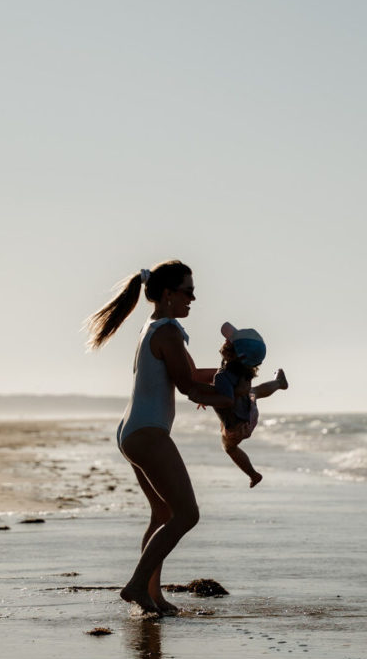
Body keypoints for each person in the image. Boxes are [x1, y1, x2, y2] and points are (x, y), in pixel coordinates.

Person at [84, 260, 233, 616]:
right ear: (167, 294)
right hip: (147, 433)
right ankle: (136, 585)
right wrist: (231, 399)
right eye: (188, 291)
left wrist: (236, 376)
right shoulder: (167, 331)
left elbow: (193, 374)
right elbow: (190, 388)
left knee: (163, 512)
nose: (193, 298)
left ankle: (151, 596)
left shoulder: (157, 327)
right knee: (187, 515)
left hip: (133, 431)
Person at [211, 322, 288, 488]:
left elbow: (226, 400)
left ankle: (253, 474)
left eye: (229, 342)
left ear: (233, 353)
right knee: (256, 392)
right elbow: (239, 391)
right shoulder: (245, 372)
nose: (225, 342)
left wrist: (204, 397)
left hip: (237, 427)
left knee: (229, 448)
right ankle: (279, 383)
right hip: (250, 415)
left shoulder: (222, 377)